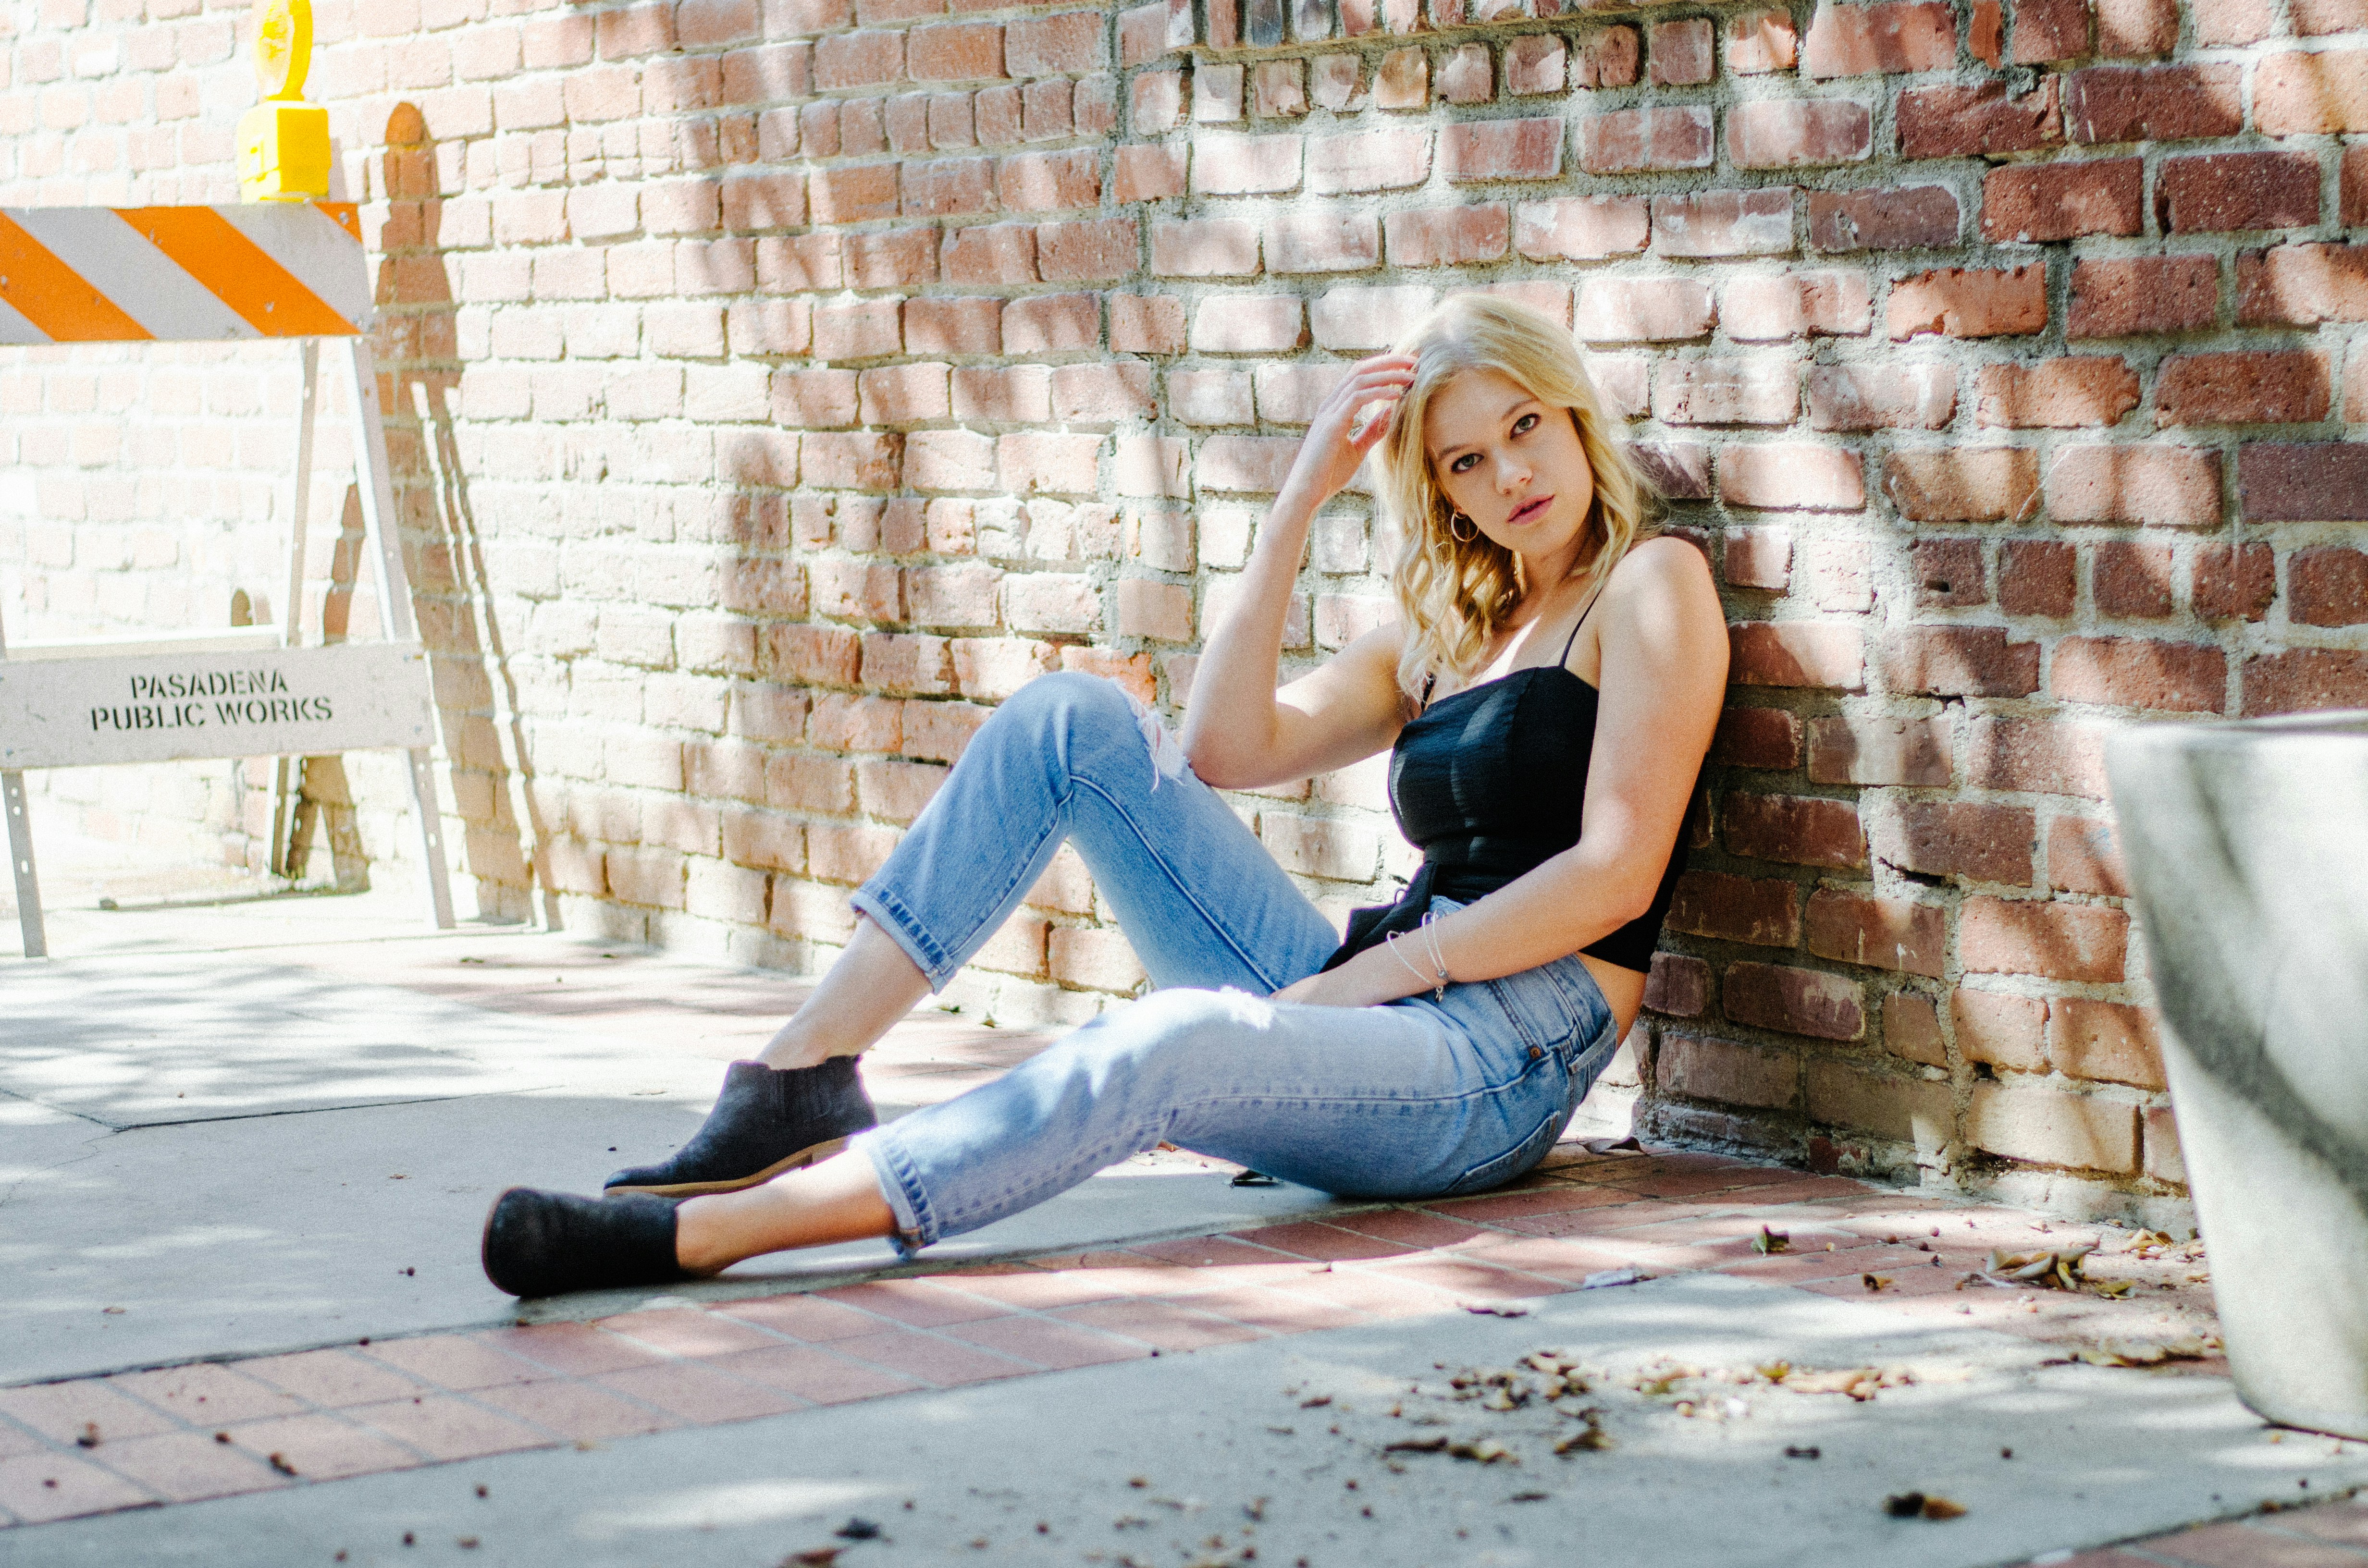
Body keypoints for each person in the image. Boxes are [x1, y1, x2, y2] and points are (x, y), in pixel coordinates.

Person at [480, 294, 1729, 1297]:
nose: (1508, 473)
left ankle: (715, 1236)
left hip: (1498, 1058)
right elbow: (1226, 748)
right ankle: (800, 1075)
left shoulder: (1650, 586)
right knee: (1072, 723)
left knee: (1165, 1042)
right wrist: (1298, 501)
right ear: (1442, 491)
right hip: (1370, 1013)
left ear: (1571, 415)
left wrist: (1376, 977)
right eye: (1466, 458)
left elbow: (1615, 871)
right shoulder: (1452, 631)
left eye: (1523, 428)